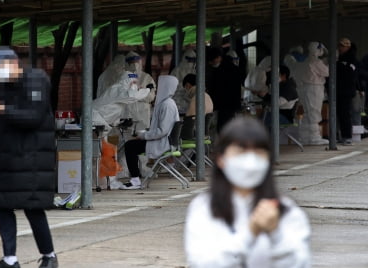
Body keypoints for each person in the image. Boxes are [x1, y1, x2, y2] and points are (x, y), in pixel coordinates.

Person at [184, 117, 311, 267]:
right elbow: (205, 262)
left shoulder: (285, 209)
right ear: (221, 159)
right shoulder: (203, 208)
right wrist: (250, 233)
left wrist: (276, 234)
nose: (250, 161)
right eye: (240, 151)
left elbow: (300, 262)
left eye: (258, 152)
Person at [0, 47, 58, 268]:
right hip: (8, 158)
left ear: (13, 63)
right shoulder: (4, 85)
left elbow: (33, 117)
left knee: (32, 208)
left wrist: (2, 109)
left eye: (0, 67)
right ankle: (10, 259)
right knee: (2, 205)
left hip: (31, 158)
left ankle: (49, 256)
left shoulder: (36, 80)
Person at [122, 75, 179, 190]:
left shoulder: (166, 105)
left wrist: (144, 135)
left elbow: (162, 131)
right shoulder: (168, 103)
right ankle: (135, 178)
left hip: (161, 143)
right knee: (132, 145)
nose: (157, 90)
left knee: (129, 146)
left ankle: (135, 180)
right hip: (163, 141)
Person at [296, 42, 329, 145]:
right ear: (317, 50)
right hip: (314, 88)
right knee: (314, 112)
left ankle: (305, 137)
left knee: (307, 113)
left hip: (306, 87)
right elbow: (327, 72)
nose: (322, 52)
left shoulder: (306, 60)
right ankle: (314, 137)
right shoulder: (316, 62)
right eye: (321, 50)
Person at [206, 47, 242, 133]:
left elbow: (218, 88)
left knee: (223, 128)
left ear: (219, 57)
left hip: (226, 104)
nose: (211, 63)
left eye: (212, 60)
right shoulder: (233, 68)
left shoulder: (222, 70)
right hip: (230, 104)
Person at [124, 51, 156, 130]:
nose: (135, 65)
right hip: (127, 116)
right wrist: (140, 93)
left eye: (137, 62)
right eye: (131, 63)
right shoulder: (122, 78)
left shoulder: (146, 78)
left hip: (143, 116)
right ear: (126, 64)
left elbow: (151, 97)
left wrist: (136, 94)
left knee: (141, 138)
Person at [337, 38, 359, 145]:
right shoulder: (341, 58)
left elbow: (350, 74)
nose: (340, 48)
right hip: (340, 90)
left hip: (346, 90)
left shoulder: (351, 59)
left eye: (342, 46)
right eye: (339, 45)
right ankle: (342, 136)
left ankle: (347, 136)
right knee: (340, 114)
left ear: (347, 47)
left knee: (345, 114)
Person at [171, 48, 197, 114]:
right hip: (178, 101)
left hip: (190, 102)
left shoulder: (195, 71)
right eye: (189, 60)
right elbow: (171, 87)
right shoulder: (176, 71)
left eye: (193, 60)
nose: (190, 62)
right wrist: (184, 87)